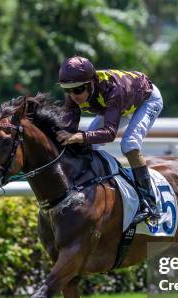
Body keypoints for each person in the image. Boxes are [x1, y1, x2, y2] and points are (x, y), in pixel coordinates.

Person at [56, 55, 164, 225]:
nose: (73, 95)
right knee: (86, 146)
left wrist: (80, 136)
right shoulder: (74, 94)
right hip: (117, 106)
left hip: (146, 100)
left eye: (77, 90)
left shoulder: (114, 90)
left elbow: (110, 133)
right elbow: (68, 129)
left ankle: (150, 204)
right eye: (67, 90)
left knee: (129, 145)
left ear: (91, 83)